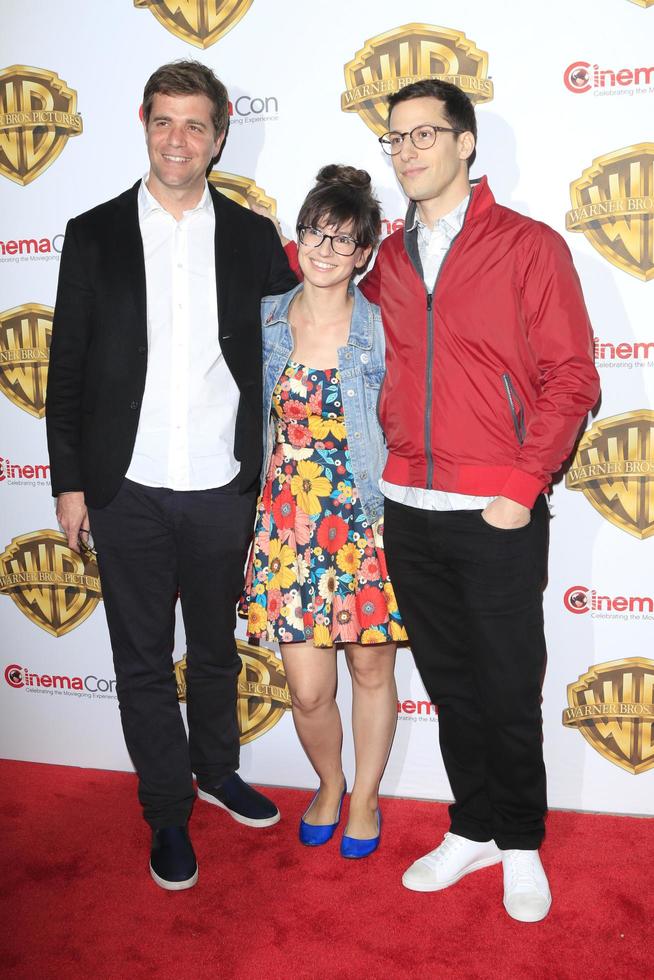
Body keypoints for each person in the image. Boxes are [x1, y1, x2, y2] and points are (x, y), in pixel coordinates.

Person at [45, 60, 297, 891]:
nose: (179, 139)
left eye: (196, 124)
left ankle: (215, 771)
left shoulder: (255, 238)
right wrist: (70, 483)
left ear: (221, 131)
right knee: (144, 661)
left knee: (217, 650)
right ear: (143, 123)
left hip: (225, 485)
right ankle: (166, 811)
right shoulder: (94, 233)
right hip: (128, 489)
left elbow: (283, 355)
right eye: (165, 122)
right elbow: (68, 371)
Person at [357, 80, 600, 919]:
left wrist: (520, 489)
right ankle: (474, 827)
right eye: (395, 139)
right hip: (407, 508)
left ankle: (522, 842)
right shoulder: (386, 258)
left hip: (494, 511)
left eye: (426, 134)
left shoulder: (528, 245)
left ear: (466, 143)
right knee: (454, 687)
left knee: (504, 687)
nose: (408, 151)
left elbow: (572, 379)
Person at [239, 165, 406, 858]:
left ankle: (363, 798)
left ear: (366, 253)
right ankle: (330, 782)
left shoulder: (382, 328)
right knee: (308, 690)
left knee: (372, 673)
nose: (327, 249)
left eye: (345, 240)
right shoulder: (265, 319)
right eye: (316, 232)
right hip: (286, 530)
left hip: (366, 526)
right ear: (297, 235)